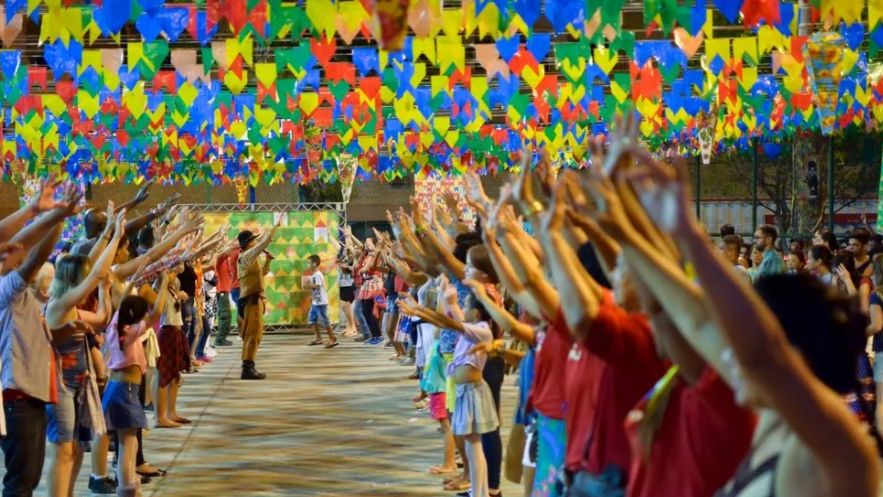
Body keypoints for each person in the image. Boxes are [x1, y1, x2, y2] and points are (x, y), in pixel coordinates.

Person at [0, 181, 83, 497]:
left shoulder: (25, 299)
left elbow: (18, 245)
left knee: (26, 478)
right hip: (17, 397)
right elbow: (31, 254)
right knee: (22, 482)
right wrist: (58, 217)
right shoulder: (6, 291)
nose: (13, 253)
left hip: (28, 396)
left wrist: (46, 213)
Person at [103, 290, 168, 497]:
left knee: (126, 445)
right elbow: (158, 311)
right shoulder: (131, 333)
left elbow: (122, 304)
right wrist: (165, 281)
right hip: (127, 391)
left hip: (114, 389)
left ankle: (129, 486)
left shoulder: (115, 327)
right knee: (128, 446)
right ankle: (127, 489)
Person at [237, 222, 281, 380]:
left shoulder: (248, 258)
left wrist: (268, 261)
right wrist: (274, 228)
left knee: (254, 335)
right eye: (253, 240)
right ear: (248, 243)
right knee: (253, 335)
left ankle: (248, 365)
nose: (255, 242)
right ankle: (247, 368)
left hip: (254, 299)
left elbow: (262, 273)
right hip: (251, 300)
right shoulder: (246, 256)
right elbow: (262, 243)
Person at [306, 254, 338, 348]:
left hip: (321, 302)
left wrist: (309, 284)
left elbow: (318, 286)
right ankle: (318, 338)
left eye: (309, 263)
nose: (307, 265)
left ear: (315, 264)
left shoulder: (317, 275)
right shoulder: (314, 275)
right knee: (312, 319)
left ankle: (333, 338)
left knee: (324, 321)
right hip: (316, 302)